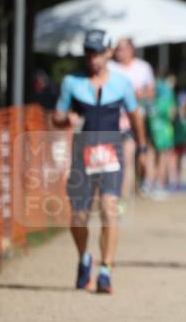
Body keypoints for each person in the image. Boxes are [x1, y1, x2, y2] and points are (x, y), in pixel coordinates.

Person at [52, 29, 150, 294]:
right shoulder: (72, 82)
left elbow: (135, 116)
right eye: (88, 53)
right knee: (78, 216)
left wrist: (142, 148)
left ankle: (106, 270)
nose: (92, 58)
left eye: (97, 52)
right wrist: (66, 120)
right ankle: (85, 257)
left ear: (108, 53)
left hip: (111, 154)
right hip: (82, 156)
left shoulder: (121, 83)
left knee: (109, 209)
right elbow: (56, 116)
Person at [109, 37, 156, 200]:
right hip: (112, 119)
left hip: (135, 119)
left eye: (122, 48)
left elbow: (152, 92)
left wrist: (138, 94)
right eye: (116, 48)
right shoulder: (110, 67)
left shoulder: (143, 67)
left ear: (131, 49)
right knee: (115, 160)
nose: (118, 52)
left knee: (128, 158)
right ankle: (117, 194)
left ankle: (124, 197)